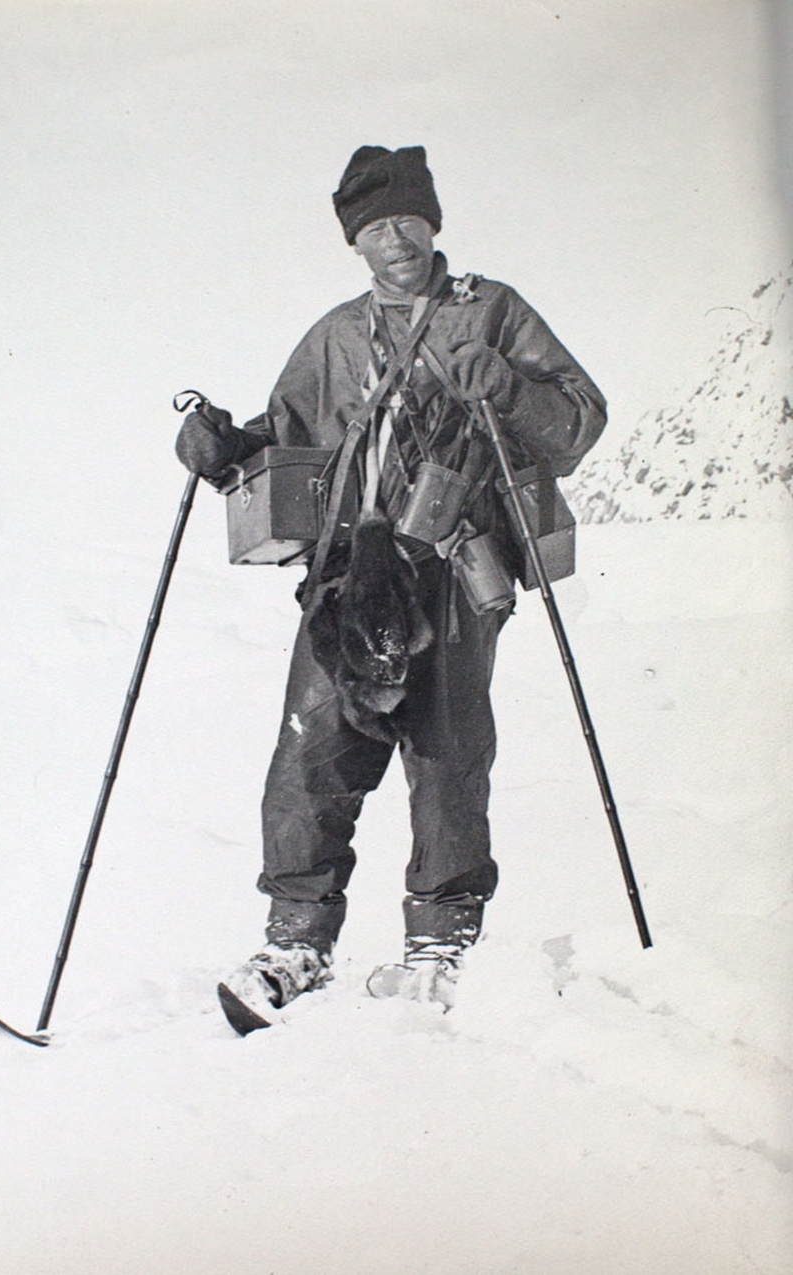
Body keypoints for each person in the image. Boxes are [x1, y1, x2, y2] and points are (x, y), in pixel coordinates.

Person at [175, 145, 607, 1032]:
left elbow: (579, 419)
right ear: (356, 243)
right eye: (375, 229)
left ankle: (442, 945)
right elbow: (280, 441)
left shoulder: (492, 312)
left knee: (447, 753)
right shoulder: (335, 337)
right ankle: (295, 941)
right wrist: (221, 449)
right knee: (313, 751)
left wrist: (511, 389)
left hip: (454, 565)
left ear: (433, 222)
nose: (395, 240)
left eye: (407, 220)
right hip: (349, 574)